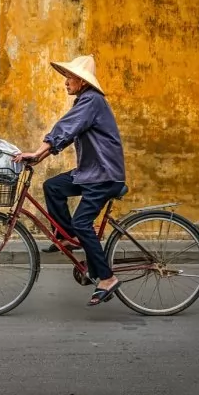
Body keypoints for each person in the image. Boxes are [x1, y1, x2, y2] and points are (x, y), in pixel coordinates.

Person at [14, 54, 127, 307]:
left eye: (70, 77)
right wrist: (38, 157)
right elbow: (65, 137)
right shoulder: (84, 102)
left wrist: (38, 150)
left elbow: (64, 128)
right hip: (91, 172)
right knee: (53, 186)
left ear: (83, 82)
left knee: (82, 222)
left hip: (104, 175)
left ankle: (107, 278)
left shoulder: (91, 101)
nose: (66, 82)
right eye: (66, 77)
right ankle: (67, 237)